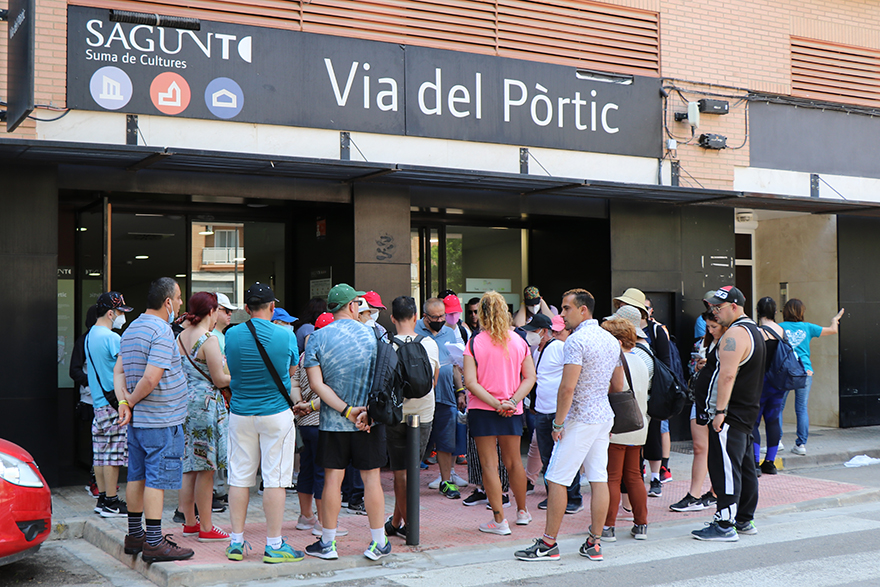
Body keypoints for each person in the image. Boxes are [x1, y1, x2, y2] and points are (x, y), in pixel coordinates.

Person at [515, 289, 624, 562]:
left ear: (583, 310)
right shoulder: (611, 340)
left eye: (566, 308)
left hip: (580, 417)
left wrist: (558, 423)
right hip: (603, 415)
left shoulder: (576, 341)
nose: (561, 314)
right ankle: (594, 543)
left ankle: (548, 543)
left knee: (556, 478)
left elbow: (567, 388)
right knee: (598, 478)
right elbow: (618, 385)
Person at [303, 283, 390, 561]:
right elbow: (384, 379)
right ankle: (378, 542)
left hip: (332, 421)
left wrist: (346, 410)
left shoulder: (317, 337)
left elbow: (316, 385)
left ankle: (328, 543)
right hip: (369, 420)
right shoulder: (373, 335)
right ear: (352, 306)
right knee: (371, 479)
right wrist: (365, 412)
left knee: (332, 479)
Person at [114, 277, 194, 563]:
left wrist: (124, 403)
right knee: (155, 481)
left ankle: (135, 536)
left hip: (138, 423)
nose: (181, 303)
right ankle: (154, 542)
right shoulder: (160, 331)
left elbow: (119, 372)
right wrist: (132, 401)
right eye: (179, 298)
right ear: (168, 302)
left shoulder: (132, 328)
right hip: (161, 420)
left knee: (136, 476)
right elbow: (151, 378)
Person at [223, 282, 303, 564]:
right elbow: (290, 372)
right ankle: (274, 544)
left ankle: (235, 542)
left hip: (240, 414)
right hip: (276, 413)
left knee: (238, 477)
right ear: (272, 307)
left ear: (246, 308)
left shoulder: (231, 334)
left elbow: (230, 369)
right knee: (275, 480)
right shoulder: (286, 336)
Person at [692, 286, 765, 541]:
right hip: (743, 411)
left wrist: (720, 411)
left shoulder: (735, 332)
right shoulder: (752, 330)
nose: (714, 311)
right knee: (743, 466)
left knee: (725, 467)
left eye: (718, 307)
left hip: (732, 412)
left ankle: (725, 523)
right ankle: (743, 519)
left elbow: (728, 375)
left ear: (734, 306)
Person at [463, 291, 536, 535]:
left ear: (481, 314)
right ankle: (522, 511)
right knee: (514, 463)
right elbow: (530, 377)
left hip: (483, 409)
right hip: (511, 409)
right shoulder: (519, 341)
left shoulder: (474, 342)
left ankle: (499, 520)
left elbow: (470, 382)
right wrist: (511, 401)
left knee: (489, 465)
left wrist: (495, 403)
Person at [176, 292, 231, 543]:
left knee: (190, 466)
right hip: (206, 407)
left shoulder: (180, 337)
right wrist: (237, 377)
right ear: (211, 312)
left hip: (185, 403)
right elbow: (219, 379)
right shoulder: (209, 339)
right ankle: (206, 527)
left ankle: (190, 522)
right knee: (206, 468)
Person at [385, 295, 439, 539]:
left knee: (400, 473)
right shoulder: (429, 344)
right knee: (412, 469)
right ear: (416, 317)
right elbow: (433, 381)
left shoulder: (387, 345)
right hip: (424, 413)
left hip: (397, 414)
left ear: (392, 318)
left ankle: (408, 525)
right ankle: (399, 522)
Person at [291, 312, 348, 539]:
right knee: (324, 473)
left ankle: (306, 517)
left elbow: (294, 382)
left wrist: (299, 404)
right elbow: (332, 392)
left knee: (306, 470)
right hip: (323, 422)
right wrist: (311, 406)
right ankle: (324, 522)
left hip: (304, 422)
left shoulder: (305, 355)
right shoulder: (331, 355)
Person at [526, 313, 582, 513]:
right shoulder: (537, 352)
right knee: (548, 457)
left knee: (564, 456)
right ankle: (554, 497)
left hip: (558, 412)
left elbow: (573, 374)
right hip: (542, 412)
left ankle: (573, 498)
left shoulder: (558, 347)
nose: (530, 335)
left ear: (543, 331)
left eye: (533, 331)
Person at [601, 318, 650, 541]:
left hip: (617, 426)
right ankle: (641, 524)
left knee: (612, 477)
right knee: (634, 476)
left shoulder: (614, 361)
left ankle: (608, 526)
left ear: (617, 341)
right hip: (638, 425)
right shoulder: (641, 360)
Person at [86, 292, 133, 518]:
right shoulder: (112, 338)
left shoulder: (90, 335)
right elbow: (126, 368)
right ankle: (112, 502)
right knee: (113, 456)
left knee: (100, 454)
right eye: (121, 312)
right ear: (111, 313)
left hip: (98, 403)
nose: (123, 317)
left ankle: (102, 499)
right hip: (115, 403)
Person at [670, 310, 722, 512]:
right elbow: (691, 369)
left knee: (718, 449)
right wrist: (699, 367)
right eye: (707, 327)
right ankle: (694, 494)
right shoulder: (703, 343)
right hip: (699, 398)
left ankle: (716, 492)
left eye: (714, 326)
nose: (710, 330)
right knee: (700, 447)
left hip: (719, 402)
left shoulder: (731, 343)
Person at [779, 299, 844, 456]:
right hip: (805, 371)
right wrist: (834, 320)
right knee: (801, 408)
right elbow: (832, 330)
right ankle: (801, 445)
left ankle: (776, 442)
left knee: (778, 407)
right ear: (801, 312)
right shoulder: (808, 327)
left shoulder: (780, 328)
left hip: (785, 372)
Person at [417, 297, 465, 499]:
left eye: (442, 316)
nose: (440, 320)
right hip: (421, 397)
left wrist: (460, 391)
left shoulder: (450, 332)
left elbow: (454, 365)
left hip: (446, 396)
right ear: (425, 316)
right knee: (418, 441)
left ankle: (446, 481)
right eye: (435, 317)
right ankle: (409, 483)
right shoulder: (415, 331)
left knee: (446, 441)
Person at [753, 297, 786, 475]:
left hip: (760, 382)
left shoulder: (758, 332)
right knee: (773, 421)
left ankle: (755, 462)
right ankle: (770, 462)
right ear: (775, 311)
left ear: (758, 311)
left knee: (754, 421)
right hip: (778, 383)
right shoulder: (782, 331)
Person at [70, 305, 99, 497]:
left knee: (105, 445)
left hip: (108, 400)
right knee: (95, 444)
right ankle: (94, 481)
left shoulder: (110, 338)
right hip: (90, 401)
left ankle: (102, 483)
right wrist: (93, 383)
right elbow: (74, 370)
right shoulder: (84, 340)